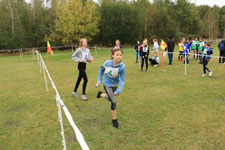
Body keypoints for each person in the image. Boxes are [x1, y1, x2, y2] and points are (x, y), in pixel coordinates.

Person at [96, 48, 126, 128]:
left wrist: (119, 90)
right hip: (107, 84)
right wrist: (99, 80)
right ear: (112, 55)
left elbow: (122, 80)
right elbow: (101, 70)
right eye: (117, 55)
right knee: (113, 101)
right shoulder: (107, 63)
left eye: (120, 55)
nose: (119, 57)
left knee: (109, 98)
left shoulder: (122, 67)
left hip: (115, 85)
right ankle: (114, 120)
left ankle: (101, 94)